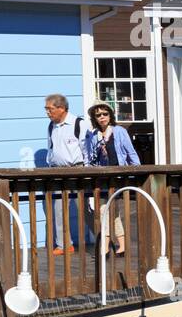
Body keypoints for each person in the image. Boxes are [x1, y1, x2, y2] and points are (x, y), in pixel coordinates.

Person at [84, 102, 142, 255]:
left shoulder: (119, 131)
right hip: (100, 178)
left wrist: (137, 171)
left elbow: (131, 153)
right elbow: (88, 158)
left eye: (105, 114)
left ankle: (108, 245)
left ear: (110, 115)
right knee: (108, 210)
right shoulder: (93, 134)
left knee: (109, 210)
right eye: (98, 115)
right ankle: (119, 245)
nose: (102, 117)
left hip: (117, 177)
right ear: (94, 118)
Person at [44, 93, 87, 254]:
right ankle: (64, 245)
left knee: (86, 207)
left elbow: (86, 149)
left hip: (78, 170)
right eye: (46, 109)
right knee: (59, 208)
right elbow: (51, 148)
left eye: (50, 109)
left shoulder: (78, 123)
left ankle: (103, 239)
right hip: (57, 171)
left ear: (61, 108)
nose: (47, 112)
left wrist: (88, 171)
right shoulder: (51, 126)